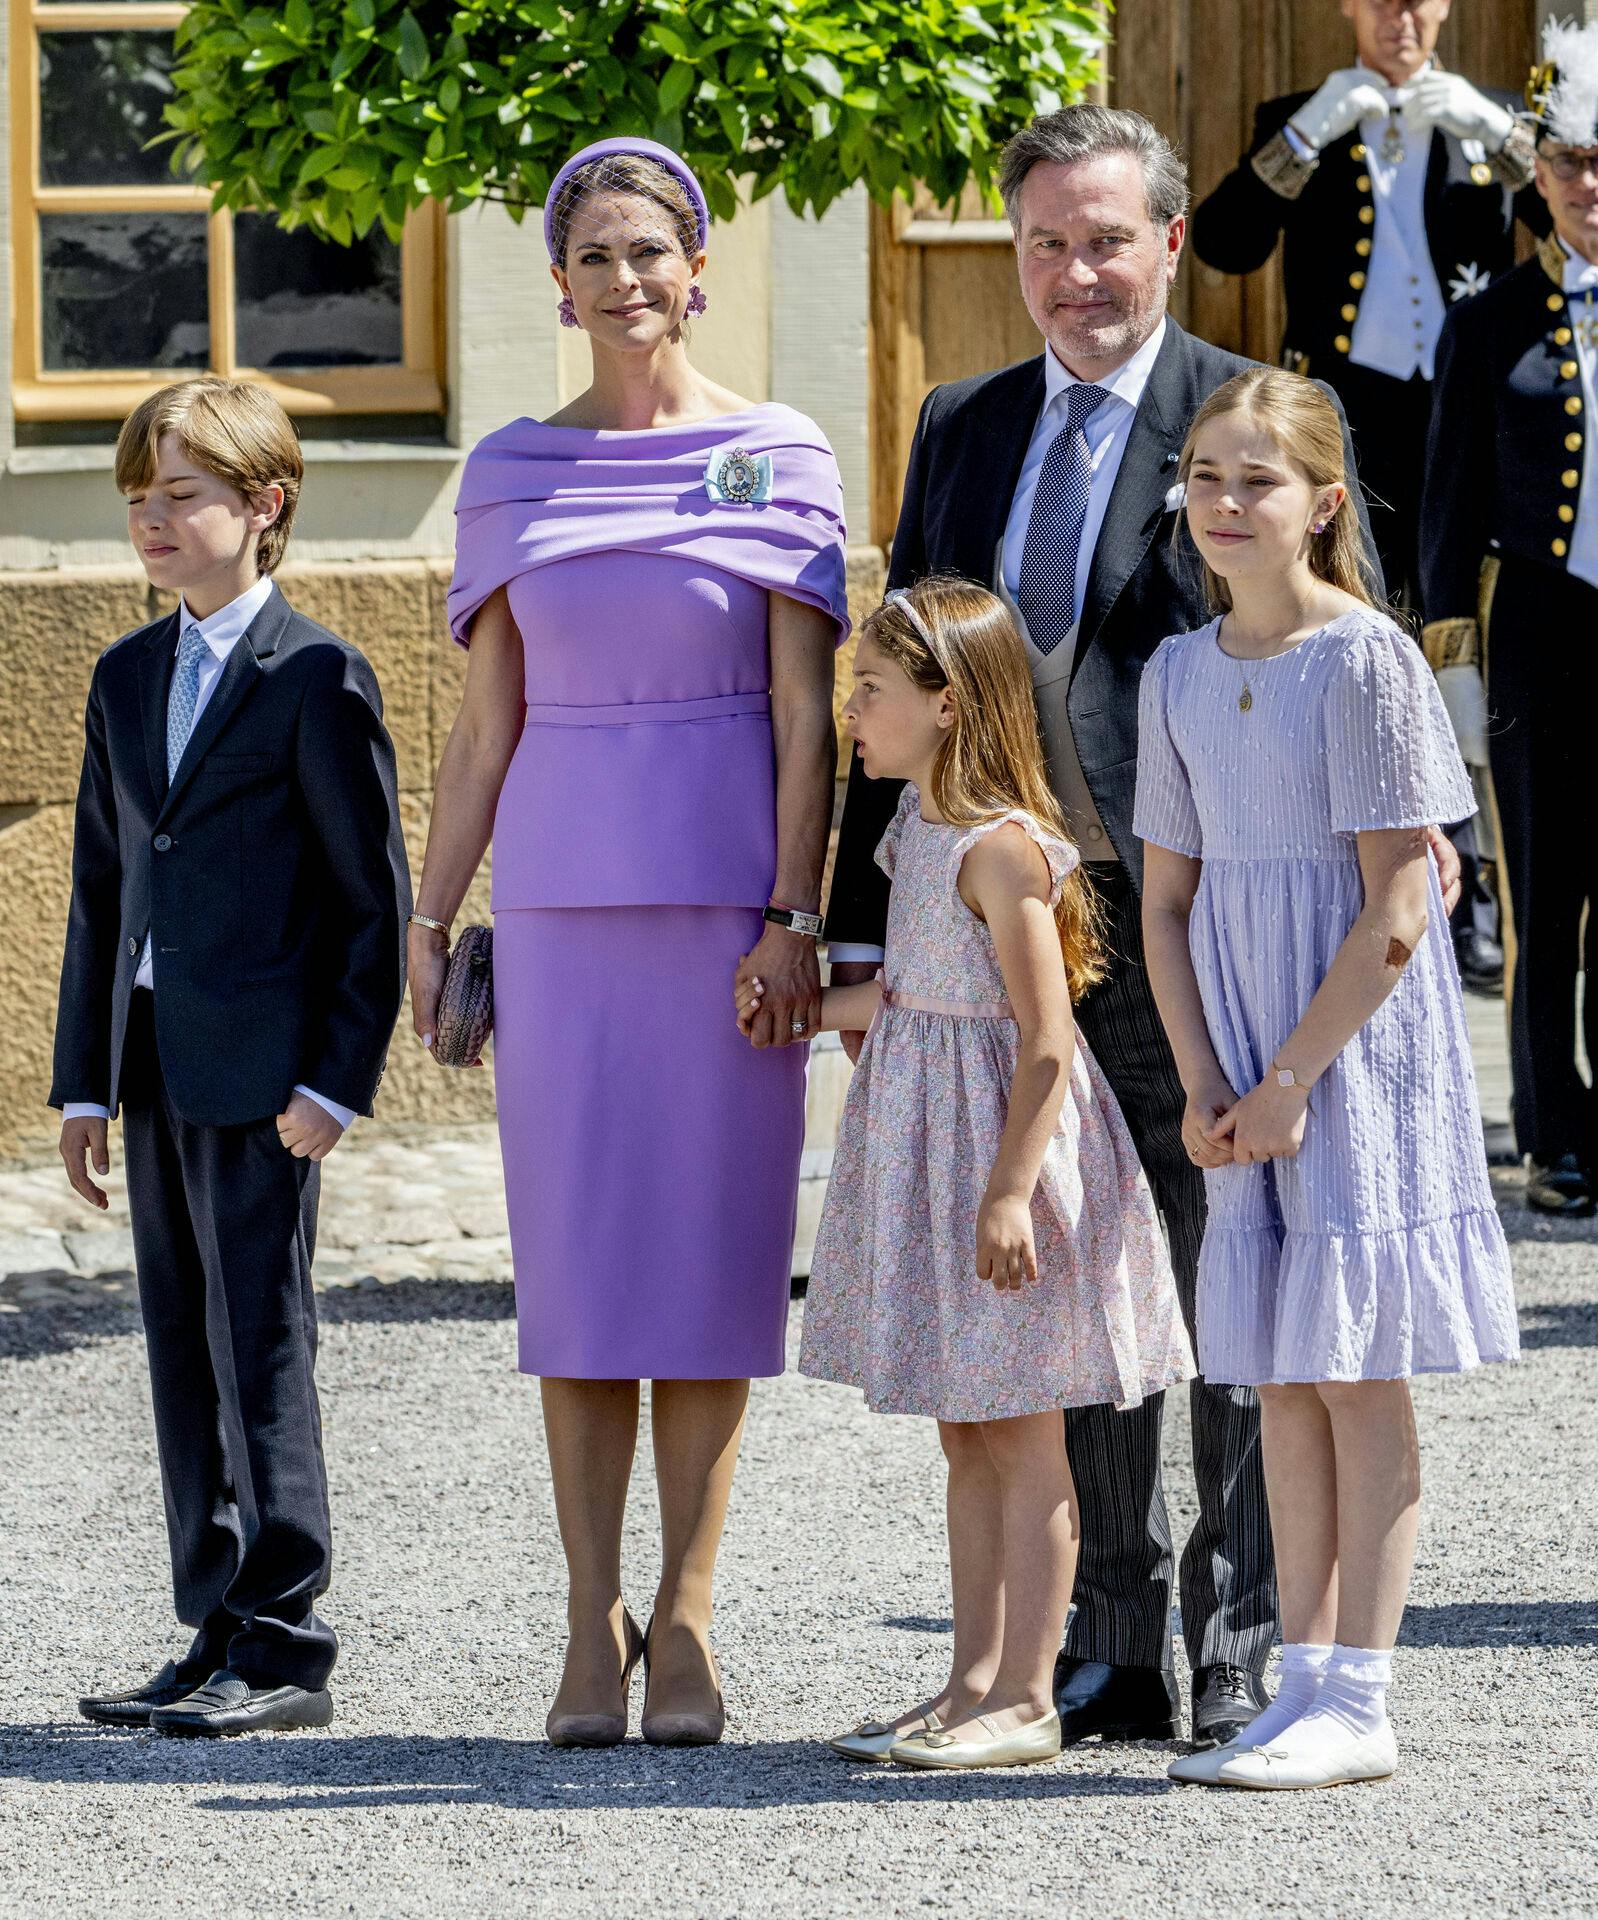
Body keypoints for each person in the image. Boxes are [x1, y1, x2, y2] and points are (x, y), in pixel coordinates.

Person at [825, 103, 1449, 1753]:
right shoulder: (960, 423)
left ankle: (1242, 1637)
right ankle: (1102, 1647)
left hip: (1212, 931)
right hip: (1010, 924)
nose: (1072, 272)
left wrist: (1408, 882)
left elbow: (1349, 642)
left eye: (1103, 238)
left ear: (1168, 242)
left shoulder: (1237, 425)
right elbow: (903, 680)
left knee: (1234, 1283)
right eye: (1042, 241)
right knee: (1071, 1302)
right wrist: (853, 937)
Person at [410, 138, 848, 1748]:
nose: (625, 281)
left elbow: (809, 722)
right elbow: (482, 727)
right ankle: (586, 1623)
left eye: (648, 251)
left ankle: (688, 1622)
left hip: (733, 920)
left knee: (711, 1275)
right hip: (566, 917)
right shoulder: (512, 469)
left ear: (699, 264)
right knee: (589, 1282)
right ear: (560, 282)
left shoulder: (785, 452)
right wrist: (432, 908)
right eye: (593, 255)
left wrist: (794, 916)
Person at [1136, 366, 1518, 1790]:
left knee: (1354, 1373)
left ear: (1320, 501)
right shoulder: (1178, 670)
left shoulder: (1366, 663)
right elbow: (1164, 905)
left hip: (1344, 1054)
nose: (1225, 503)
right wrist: (1201, 1078)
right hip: (1238, 1053)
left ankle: (1362, 1692)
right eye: (1205, 475)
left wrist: (1291, 1078)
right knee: (1279, 1380)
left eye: (1257, 479)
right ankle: (1295, 1684)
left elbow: (1397, 911)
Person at [756, 580, 1192, 1772]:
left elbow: (1045, 1037)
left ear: (946, 706)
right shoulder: (914, 831)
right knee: (965, 1432)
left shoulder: (1003, 852)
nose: (852, 710)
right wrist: (801, 1011)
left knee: (1022, 1437)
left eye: (873, 692)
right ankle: (966, 1682)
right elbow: (907, 997)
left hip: (1005, 1154)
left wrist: (1007, 1191)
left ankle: (1026, 1696)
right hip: (931, 1135)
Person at [51, 378, 410, 1737]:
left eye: (182, 494)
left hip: (267, 1080)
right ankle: (210, 1626)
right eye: (139, 497)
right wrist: (85, 1079)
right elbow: (102, 886)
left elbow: (365, 902)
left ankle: (284, 1644)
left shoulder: (316, 674)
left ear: (264, 507)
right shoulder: (126, 673)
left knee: (259, 1345)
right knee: (178, 1347)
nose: (153, 517)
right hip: (152, 1065)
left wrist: (334, 1080)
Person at [1190, 0, 1542, 997]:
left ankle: (1472, 895)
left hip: (1465, 411)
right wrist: (1307, 135)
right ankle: (1378, 875)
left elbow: (1568, 215)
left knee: (1453, 635)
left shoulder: (1495, 117)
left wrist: (1502, 136)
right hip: (1344, 417)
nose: (1401, 16)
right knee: (1359, 635)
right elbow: (1221, 244)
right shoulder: (1298, 115)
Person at [1422, 21, 1598, 1219]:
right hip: (1540, 631)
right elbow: (1446, 506)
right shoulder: (1489, 323)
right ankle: (1552, 1133)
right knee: (1542, 894)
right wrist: (1451, 668)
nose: (1591, 185)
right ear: (1537, 172)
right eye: (1573, 159)